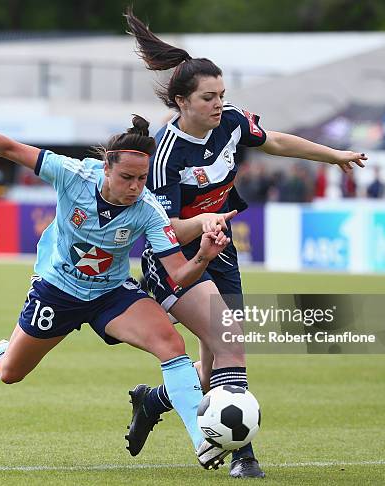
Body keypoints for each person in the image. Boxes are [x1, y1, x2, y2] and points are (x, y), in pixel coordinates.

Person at [124, 9, 368, 479]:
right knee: (232, 339)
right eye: (208, 98)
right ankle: (244, 454)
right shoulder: (166, 153)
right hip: (177, 260)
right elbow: (165, 228)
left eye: (222, 95)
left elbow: (273, 141)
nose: (219, 104)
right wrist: (209, 222)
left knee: (215, 360)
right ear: (181, 102)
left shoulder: (231, 122)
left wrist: (332, 154)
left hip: (221, 251)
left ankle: (152, 400)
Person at [0, 112, 235, 471]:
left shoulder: (148, 209)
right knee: (10, 373)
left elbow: (179, 274)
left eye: (142, 179)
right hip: (58, 290)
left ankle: (200, 440)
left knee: (171, 345)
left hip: (111, 293)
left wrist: (204, 255)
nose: (135, 187)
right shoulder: (72, 174)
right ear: (105, 168)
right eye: (127, 177)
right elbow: (10, 148)